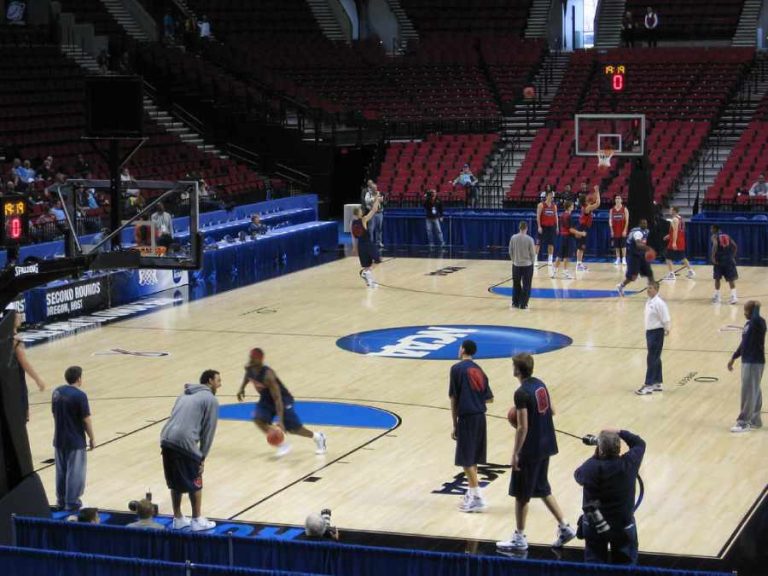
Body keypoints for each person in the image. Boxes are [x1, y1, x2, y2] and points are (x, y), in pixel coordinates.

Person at [496, 354, 576, 552]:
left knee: (521, 494)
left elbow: (522, 427)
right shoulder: (540, 384)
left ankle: (519, 537)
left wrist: (516, 453)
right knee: (542, 488)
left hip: (530, 449)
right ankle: (565, 527)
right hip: (547, 443)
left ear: (517, 370)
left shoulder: (521, 393)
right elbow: (553, 411)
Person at [160, 369, 221, 531]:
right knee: (196, 480)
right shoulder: (210, 399)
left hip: (166, 438)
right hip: (184, 440)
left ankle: (178, 517)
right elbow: (208, 431)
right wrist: (202, 457)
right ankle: (196, 519)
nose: (220, 385)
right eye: (218, 381)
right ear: (209, 381)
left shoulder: (184, 394)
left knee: (175, 482)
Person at [236, 348, 327, 457]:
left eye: (253, 358)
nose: (250, 360)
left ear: (260, 360)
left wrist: (281, 420)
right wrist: (242, 388)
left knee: (294, 429)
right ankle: (282, 444)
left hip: (283, 399)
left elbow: (277, 399)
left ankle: (318, 437)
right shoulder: (249, 367)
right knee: (258, 418)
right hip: (266, 398)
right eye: (250, 357)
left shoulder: (268, 375)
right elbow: (248, 376)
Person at [574, 429, 646, 564]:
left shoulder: (591, 467)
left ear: (600, 450)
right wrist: (619, 432)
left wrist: (596, 455)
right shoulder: (629, 463)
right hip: (622, 525)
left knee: (593, 568)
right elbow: (639, 443)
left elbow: (578, 475)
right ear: (619, 448)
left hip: (595, 524)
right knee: (625, 568)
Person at [449, 340, 494, 513]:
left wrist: (455, 424)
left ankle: (477, 497)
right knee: (473, 458)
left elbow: (454, 399)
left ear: (463, 350)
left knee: (465, 460)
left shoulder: (456, 369)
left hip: (467, 417)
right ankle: (470, 492)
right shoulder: (479, 370)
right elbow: (489, 398)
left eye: (460, 346)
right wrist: (475, 398)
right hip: (481, 417)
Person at [52, 366, 95, 511]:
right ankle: (72, 503)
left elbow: (54, 412)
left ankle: (60, 500)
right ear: (79, 378)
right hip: (75, 440)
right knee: (75, 473)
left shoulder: (57, 392)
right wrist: (92, 438)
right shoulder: (80, 396)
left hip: (59, 439)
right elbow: (86, 419)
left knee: (61, 472)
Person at [727, 301, 766, 433]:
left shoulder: (759, 323)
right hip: (747, 361)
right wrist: (734, 357)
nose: (744, 313)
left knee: (748, 391)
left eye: (746, 311)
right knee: (755, 390)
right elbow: (744, 343)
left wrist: (756, 306)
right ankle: (755, 420)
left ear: (752, 311)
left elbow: (755, 318)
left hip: (754, 362)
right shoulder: (748, 324)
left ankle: (744, 422)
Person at [635, 281, 671, 395]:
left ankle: (648, 385)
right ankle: (657, 382)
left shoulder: (659, 303)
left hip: (656, 332)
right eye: (647, 288)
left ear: (656, 289)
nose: (648, 290)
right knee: (656, 358)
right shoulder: (649, 301)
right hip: (650, 332)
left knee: (652, 358)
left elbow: (665, 318)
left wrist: (667, 329)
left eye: (650, 288)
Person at [12, 309, 46, 421]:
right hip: (17, 378)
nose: (21, 317)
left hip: (8, 378)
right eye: (18, 317)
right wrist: (38, 379)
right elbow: (24, 363)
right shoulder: (15, 340)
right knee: (22, 414)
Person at [616, 219, 655, 297]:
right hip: (634, 256)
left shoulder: (646, 231)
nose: (645, 225)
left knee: (650, 274)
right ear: (639, 224)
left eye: (646, 223)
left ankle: (653, 292)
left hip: (642, 256)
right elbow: (638, 244)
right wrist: (649, 249)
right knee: (632, 277)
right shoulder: (637, 233)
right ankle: (621, 286)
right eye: (643, 223)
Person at [351, 191, 381, 288]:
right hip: (368, 244)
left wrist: (354, 248)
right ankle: (367, 273)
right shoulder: (363, 219)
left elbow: (353, 237)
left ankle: (370, 283)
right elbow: (374, 210)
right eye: (360, 211)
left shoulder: (352, 223)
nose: (362, 212)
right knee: (377, 260)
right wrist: (377, 200)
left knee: (367, 264)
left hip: (360, 245)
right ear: (358, 213)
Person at [551, 201, 585, 280]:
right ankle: (565, 272)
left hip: (562, 237)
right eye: (572, 205)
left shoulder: (562, 215)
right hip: (568, 238)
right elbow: (570, 229)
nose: (573, 206)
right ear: (569, 207)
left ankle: (555, 272)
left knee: (560, 255)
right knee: (566, 256)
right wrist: (580, 233)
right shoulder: (569, 216)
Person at [509, 221, 536, 310]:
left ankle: (515, 302)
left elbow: (510, 251)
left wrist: (514, 260)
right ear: (526, 228)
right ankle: (524, 304)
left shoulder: (513, 237)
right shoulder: (530, 239)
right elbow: (532, 253)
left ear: (519, 228)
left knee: (516, 284)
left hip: (516, 264)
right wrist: (532, 262)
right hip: (527, 265)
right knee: (526, 285)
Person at [662, 206, 695, 280]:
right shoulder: (681, 218)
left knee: (667, 257)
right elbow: (678, 231)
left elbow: (676, 231)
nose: (669, 210)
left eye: (670, 209)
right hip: (681, 240)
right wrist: (669, 235)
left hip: (676, 240)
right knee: (682, 257)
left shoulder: (674, 219)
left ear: (674, 211)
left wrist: (674, 242)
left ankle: (671, 274)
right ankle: (690, 271)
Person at [710, 224, 738, 305]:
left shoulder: (714, 236)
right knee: (731, 279)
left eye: (711, 229)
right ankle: (734, 297)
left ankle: (717, 297)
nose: (710, 230)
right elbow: (735, 246)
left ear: (715, 229)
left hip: (719, 260)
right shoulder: (727, 236)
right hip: (729, 260)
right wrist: (732, 256)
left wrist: (712, 257)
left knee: (717, 278)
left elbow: (715, 245)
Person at [575, 185, 600, 272]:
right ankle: (578, 264)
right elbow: (598, 204)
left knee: (582, 247)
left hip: (582, 227)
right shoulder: (587, 208)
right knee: (580, 247)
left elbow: (593, 201)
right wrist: (597, 191)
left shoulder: (585, 206)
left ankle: (580, 263)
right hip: (582, 228)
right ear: (584, 200)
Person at [536, 190, 558, 266]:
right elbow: (538, 216)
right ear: (547, 196)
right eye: (550, 195)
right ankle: (535, 259)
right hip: (543, 226)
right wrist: (539, 226)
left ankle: (550, 259)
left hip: (552, 227)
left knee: (551, 243)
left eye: (552, 195)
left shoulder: (554, 206)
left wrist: (557, 227)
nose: (551, 197)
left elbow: (556, 217)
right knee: (538, 243)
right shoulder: (541, 205)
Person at [362, 180, 385, 250]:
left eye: (376, 188)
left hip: (379, 213)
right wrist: (374, 199)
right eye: (374, 188)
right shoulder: (368, 194)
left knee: (379, 228)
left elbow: (382, 200)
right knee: (371, 228)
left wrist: (381, 199)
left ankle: (379, 242)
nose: (376, 189)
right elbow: (366, 201)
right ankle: (370, 242)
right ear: (371, 189)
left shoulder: (379, 193)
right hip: (372, 213)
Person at [609, 195, 629, 267]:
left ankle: (624, 259)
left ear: (621, 200)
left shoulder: (625, 209)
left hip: (622, 230)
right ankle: (618, 259)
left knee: (623, 245)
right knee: (616, 246)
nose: (617, 199)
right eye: (616, 198)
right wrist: (611, 230)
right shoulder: (612, 210)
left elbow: (627, 221)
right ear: (615, 200)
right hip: (615, 230)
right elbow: (610, 221)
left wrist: (625, 230)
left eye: (619, 198)